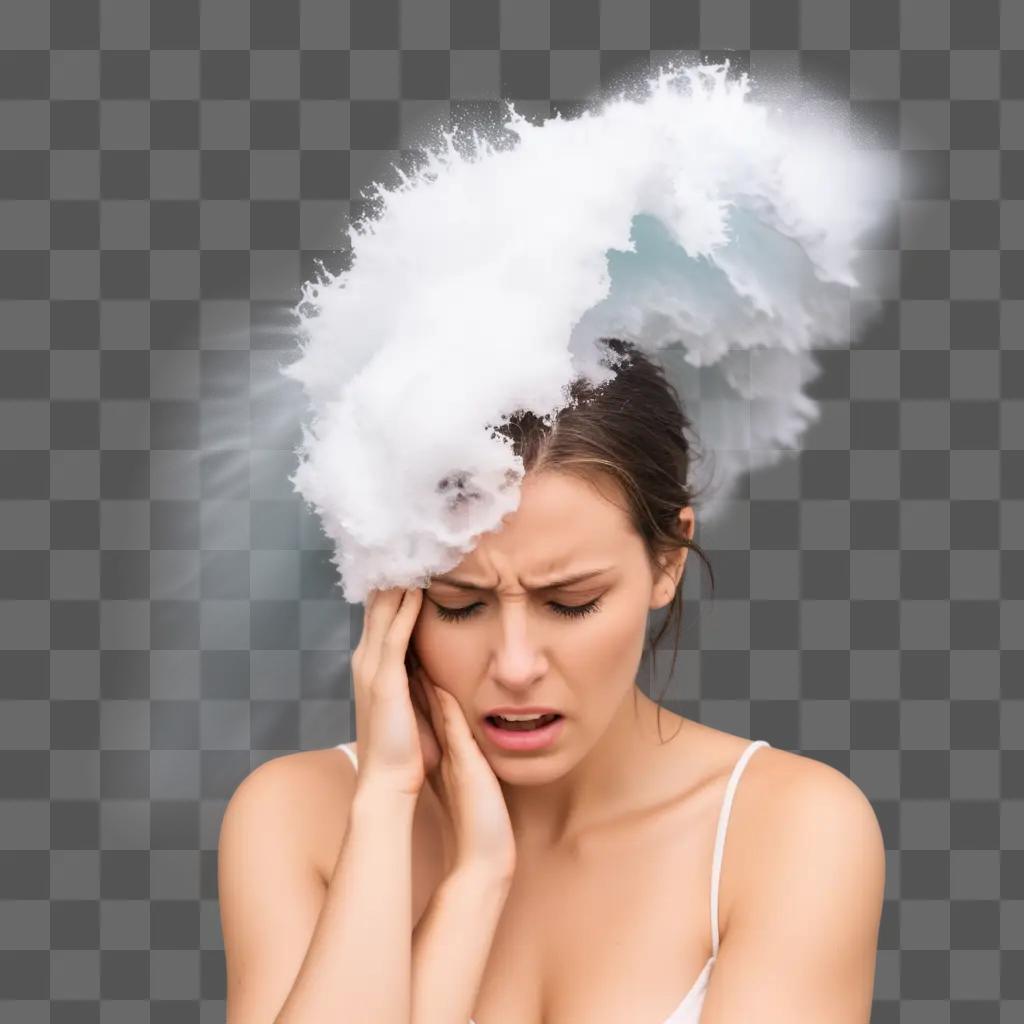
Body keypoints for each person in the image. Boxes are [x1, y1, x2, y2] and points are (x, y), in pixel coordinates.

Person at [217, 342, 886, 1023]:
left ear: (666, 561)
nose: (513, 664)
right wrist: (436, 850)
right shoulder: (297, 819)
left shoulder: (788, 831)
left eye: (570, 602)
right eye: (460, 603)